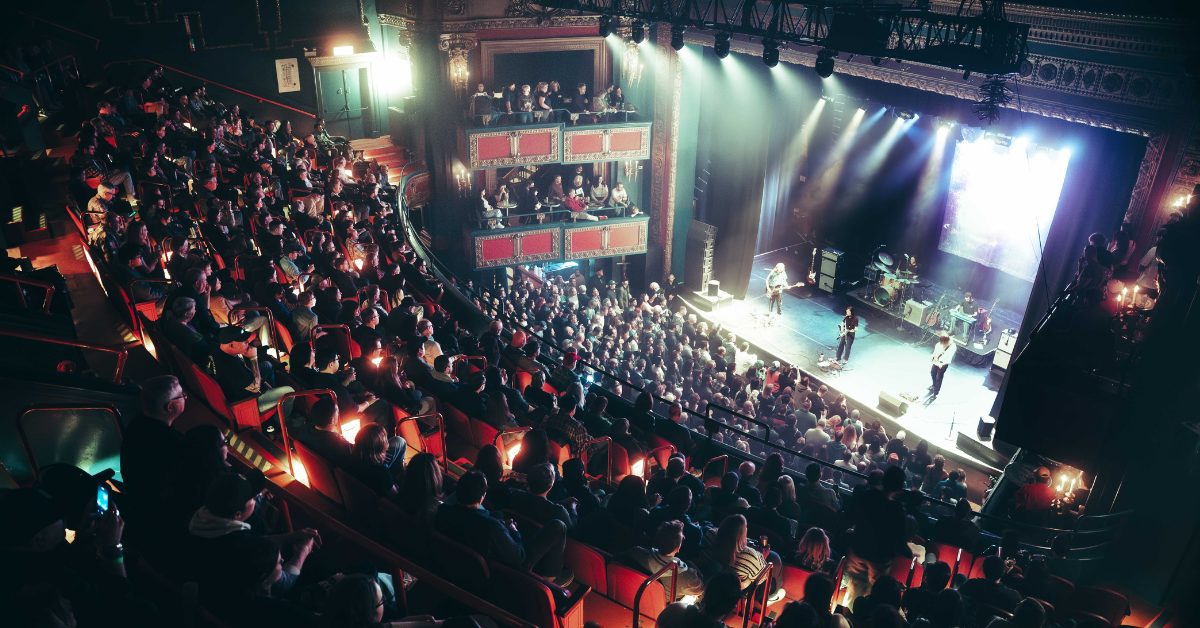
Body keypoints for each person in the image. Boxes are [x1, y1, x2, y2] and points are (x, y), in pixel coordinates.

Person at [434, 470, 574, 585]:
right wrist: (514, 532)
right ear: (482, 497)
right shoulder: (492, 527)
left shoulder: (442, 511)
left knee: (498, 514)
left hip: (457, 565)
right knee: (558, 526)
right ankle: (552, 578)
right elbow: (519, 559)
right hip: (506, 570)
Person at [843, 466, 910, 604]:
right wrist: (909, 555)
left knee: (854, 588)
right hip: (879, 560)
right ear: (899, 489)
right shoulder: (898, 511)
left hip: (858, 550)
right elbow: (901, 542)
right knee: (874, 593)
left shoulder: (866, 496)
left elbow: (849, 516)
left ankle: (848, 612)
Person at [699, 514, 785, 602]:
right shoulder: (750, 556)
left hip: (710, 579)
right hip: (734, 592)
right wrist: (761, 559)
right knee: (775, 561)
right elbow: (761, 579)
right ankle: (771, 596)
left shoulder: (710, 535)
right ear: (742, 534)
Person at [621, 521, 706, 599]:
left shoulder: (635, 552)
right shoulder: (687, 578)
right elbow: (701, 589)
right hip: (656, 608)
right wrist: (693, 571)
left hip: (627, 596)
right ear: (678, 548)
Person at [510, 462, 577, 529]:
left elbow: (537, 502)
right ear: (550, 487)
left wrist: (562, 502)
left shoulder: (514, 495)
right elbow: (572, 529)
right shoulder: (559, 511)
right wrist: (573, 508)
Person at [345, 424, 399, 498]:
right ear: (380, 447)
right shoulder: (382, 473)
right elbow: (396, 496)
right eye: (386, 441)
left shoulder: (349, 460)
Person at [929, 334, 954, 399]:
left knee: (939, 378)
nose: (942, 344)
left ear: (947, 341)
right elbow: (935, 352)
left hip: (943, 364)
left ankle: (936, 393)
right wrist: (933, 357)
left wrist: (941, 364)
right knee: (933, 373)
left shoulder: (952, 347)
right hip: (936, 361)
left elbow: (949, 360)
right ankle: (934, 385)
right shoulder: (939, 344)